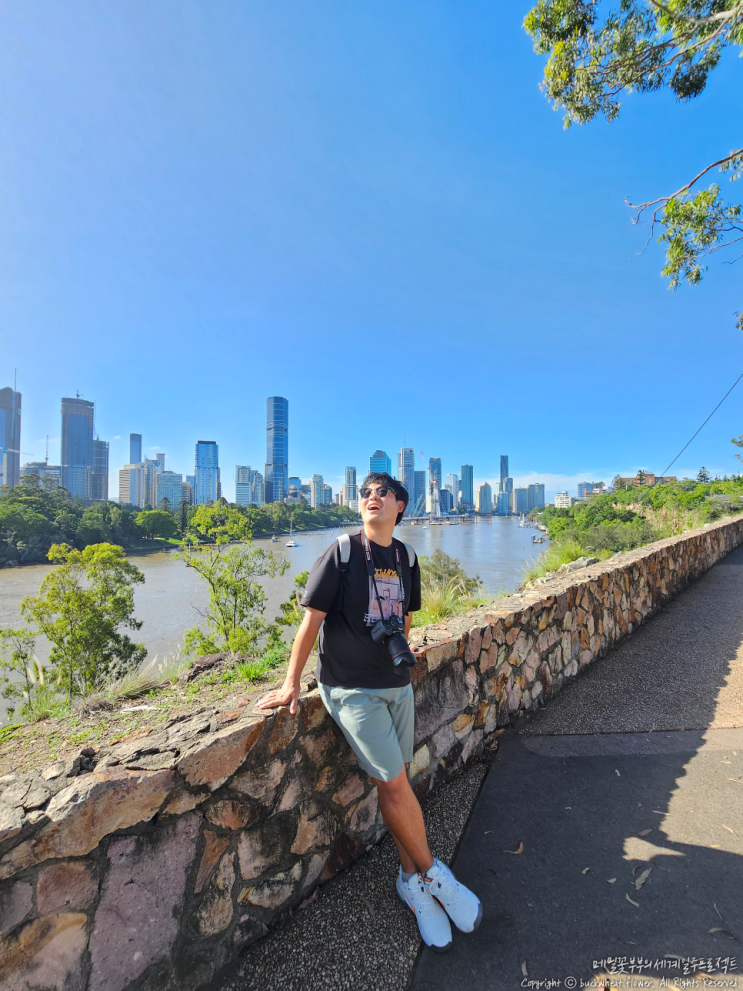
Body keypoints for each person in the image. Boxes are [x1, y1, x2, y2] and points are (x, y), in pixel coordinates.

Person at [257, 471, 482, 951]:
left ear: (401, 506)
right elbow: (310, 622)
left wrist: (402, 649)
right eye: (365, 493)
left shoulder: (407, 557)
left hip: (395, 684)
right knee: (397, 785)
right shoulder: (340, 552)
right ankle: (435, 877)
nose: (372, 498)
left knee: (394, 784)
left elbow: (405, 616)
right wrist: (291, 683)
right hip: (352, 688)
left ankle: (409, 882)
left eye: (383, 493)